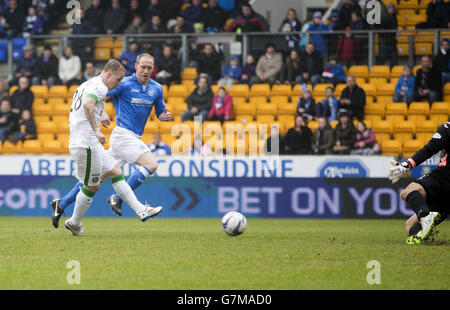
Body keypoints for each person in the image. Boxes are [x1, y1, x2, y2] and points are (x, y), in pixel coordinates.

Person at [51, 55, 172, 227]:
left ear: (153, 69)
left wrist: (163, 116)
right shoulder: (123, 83)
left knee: (98, 178)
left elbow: (160, 110)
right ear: (136, 66)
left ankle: (62, 203)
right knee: (151, 165)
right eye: (143, 67)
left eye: (149, 68)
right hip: (122, 135)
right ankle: (119, 200)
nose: (145, 71)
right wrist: (102, 114)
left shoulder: (157, 88)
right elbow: (98, 96)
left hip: (130, 138)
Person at [388, 122, 450, 244]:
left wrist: (407, 165)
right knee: (410, 224)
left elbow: (430, 149)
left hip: (446, 177)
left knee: (409, 191)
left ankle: (425, 217)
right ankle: (421, 233)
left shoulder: (447, 128)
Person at [377, 2, 398, 66]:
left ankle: (393, 70)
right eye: (389, 8)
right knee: (382, 58)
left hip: (392, 40)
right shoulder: (383, 16)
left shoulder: (394, 17)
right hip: (384, 40)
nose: (391, 10)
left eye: (392, 9)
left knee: (394, 58)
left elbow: (395, 27)